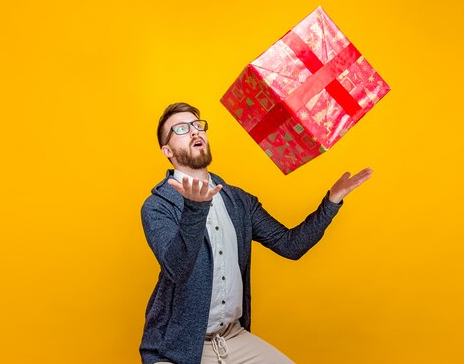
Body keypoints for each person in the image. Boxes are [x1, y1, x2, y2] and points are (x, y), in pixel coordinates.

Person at [140, 102, 373, 364]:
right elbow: (178, 268)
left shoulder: (239, 202)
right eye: (181, 129)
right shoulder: (158, 205)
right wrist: (195, 208)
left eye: (197, 125)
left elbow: (290, 245)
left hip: (233, 337)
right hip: (178, 346)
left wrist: (331, 202)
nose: (194, 132)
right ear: (167, 150)